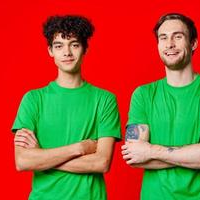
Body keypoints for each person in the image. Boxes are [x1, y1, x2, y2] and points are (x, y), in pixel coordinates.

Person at [121, 13, 200, 199]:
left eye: (178, 36)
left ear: (193, 43)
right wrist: (195, 155)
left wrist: (151, 151)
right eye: (163, 38)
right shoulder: (142, 94)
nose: (169, 44)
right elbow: (134, 156)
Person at [12, 15, 121, 200]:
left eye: (74, 44)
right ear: (50, 51)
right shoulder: (33, 99)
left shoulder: (105, 100)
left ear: (85, 48)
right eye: (59, 45)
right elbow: (23, 161)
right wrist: (78, 148)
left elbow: (101, 162)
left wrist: (42, 157)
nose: (67, 52)